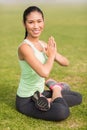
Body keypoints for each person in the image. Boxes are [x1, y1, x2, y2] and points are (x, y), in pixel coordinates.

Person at [16, 6, 82, 121]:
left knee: (77, 97)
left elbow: (65, 62)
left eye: (39, 21)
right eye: (31, 22)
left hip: (39, 93)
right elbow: (44, 73)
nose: (36, 26)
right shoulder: (24, 48)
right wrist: (51, 56)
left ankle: (45, 99)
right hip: (26, 100)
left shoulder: (42, 44)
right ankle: (55, 88)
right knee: (62, 111)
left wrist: (54, 52)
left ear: (43, 22)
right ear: (24, 24)